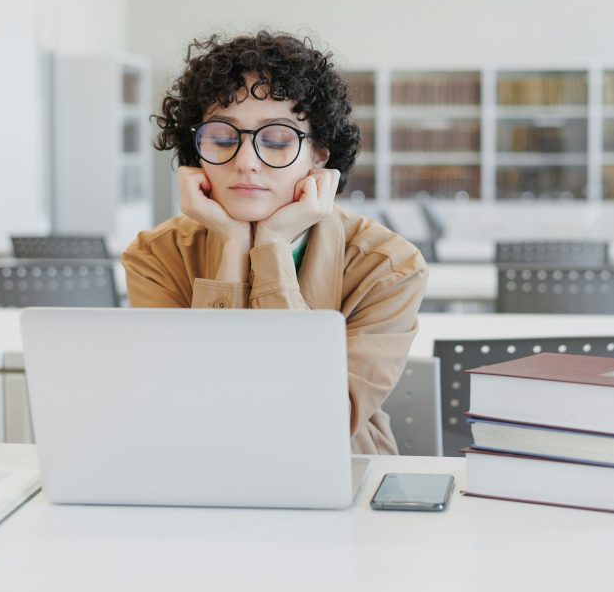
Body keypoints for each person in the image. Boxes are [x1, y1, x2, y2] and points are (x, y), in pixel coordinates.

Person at [121, 31, 428, 454]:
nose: (246, 162)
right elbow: (185, 405)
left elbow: (314, 420)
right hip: (199, 473)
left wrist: (272, 246)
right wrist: (232, 244)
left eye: (278, 140)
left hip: (338, 478)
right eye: (223, 139)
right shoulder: (155, 255)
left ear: (319, 153)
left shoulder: (388, 266)